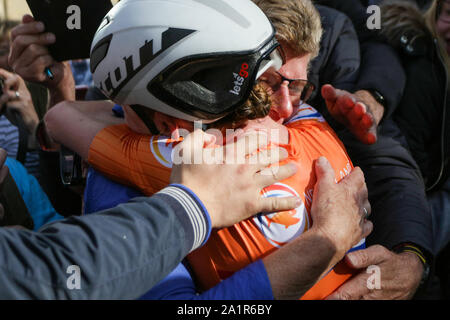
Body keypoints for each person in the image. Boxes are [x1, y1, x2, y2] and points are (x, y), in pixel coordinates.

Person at [44, 0, 370, 300]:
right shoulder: (311, 122)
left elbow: (60, 117)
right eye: (269, 81)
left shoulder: (170, 160)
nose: (285, 108)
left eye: (296, 87)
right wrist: (329, 238)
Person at [0, 129, 311, 299]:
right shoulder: (118, 183)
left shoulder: (10, 176)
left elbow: (55, 241)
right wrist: (324, 245)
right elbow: (52, 273)